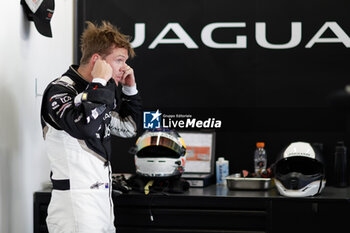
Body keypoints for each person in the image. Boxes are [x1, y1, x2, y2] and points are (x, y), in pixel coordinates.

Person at [40, 21, 142, 233]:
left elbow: (128, 128)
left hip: (101, 199)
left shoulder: (100, 89)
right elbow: (84, 128)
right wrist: (99, 83)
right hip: (75, 202)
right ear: (97, 60)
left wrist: (129, 90)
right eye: (119, 60)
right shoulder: (60, 90)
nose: (125, 67)